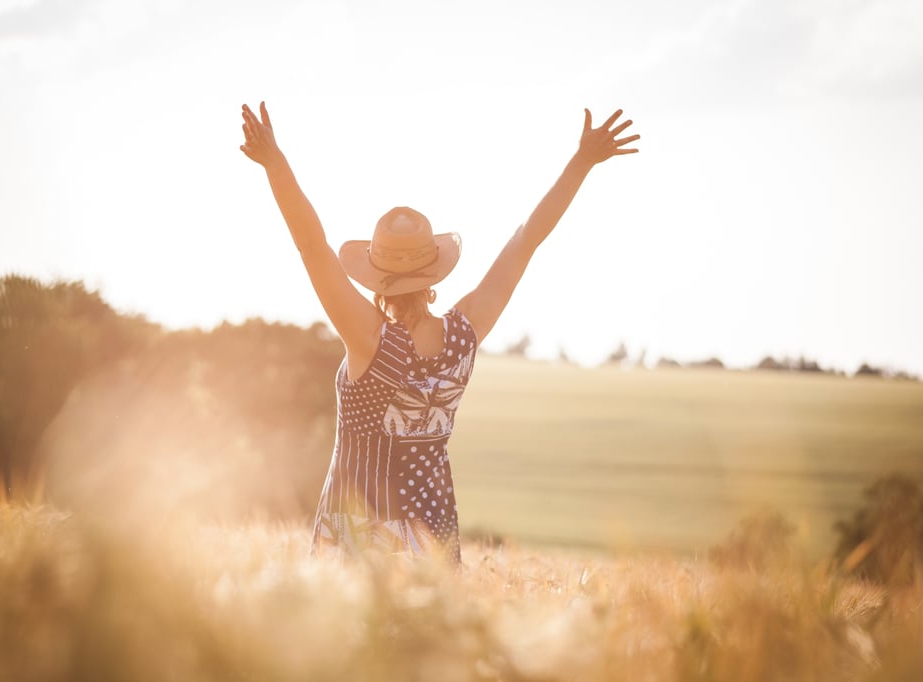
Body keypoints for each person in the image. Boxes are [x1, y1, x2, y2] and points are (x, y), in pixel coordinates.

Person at [239, 101, 639, 564]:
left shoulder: (368, 338)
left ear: (375, 275)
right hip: (433, 534)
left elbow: (311, 246)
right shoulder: (464, 333)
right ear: (433, 273)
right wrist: (582, 161)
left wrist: (275, 163)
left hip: (362, 533)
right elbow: (526, 239)